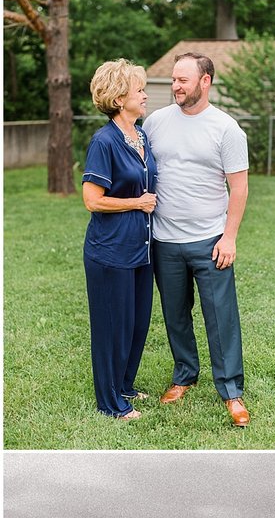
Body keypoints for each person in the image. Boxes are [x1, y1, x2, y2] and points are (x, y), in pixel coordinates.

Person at [141, 53, 251, 428]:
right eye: (173, 79)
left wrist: (229, 237)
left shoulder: (226, 129)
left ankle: (231, 390)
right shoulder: (155, 122)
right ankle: (184, 375)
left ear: (205, 82)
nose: (175, 86)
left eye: (183, 80)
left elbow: (239, 188)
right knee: (175, 315)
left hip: (210, 240)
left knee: (220, 318)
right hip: (164, 241)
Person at [81, 60, 157, 421]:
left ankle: (124, 385)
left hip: (141, 248)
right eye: (139, 89)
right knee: (112, 326)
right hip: (109, 252)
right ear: (119, 95)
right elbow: (92, 199)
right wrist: (136, 202)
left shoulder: (141, 136)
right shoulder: (104, 141)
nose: (145, 95)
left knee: (137, 322)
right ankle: (111, 403)